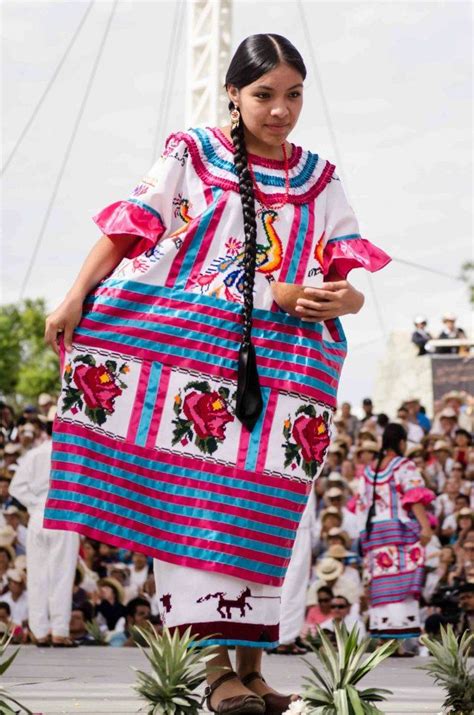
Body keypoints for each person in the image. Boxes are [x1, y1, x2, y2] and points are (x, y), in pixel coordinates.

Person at [42, 33, 390, 713]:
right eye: (264, 94)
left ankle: (252, 667)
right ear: (233, 92)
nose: (280, 110)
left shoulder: (319, 177)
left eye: (293, 95)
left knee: (259, 509)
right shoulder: (193, 153)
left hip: (289, 367)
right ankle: (210, 670)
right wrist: (77, 292)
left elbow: (348, 282)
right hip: (190, 355)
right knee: (191, 503)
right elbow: (131, 229)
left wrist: (336, 298)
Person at [355, 423, 435, 643]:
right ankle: (398, 634)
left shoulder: (369, 470)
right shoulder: (403, 465)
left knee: (382, 579)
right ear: (401, 442)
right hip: (398, 529)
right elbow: (414, 496)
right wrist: (425, 527)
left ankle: (384, 632)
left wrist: (365, 537)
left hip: (374, 533)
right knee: (406, 576)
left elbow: (361, 506)